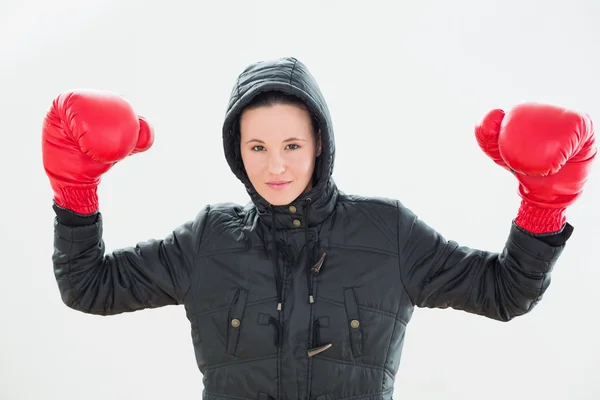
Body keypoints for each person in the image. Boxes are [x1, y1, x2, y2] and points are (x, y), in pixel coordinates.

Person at [42, 57, 596, 400]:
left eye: (291, 146)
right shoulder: (209, 239)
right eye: (257, 147)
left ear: (320, 145)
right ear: (236, 152)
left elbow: (504, 292)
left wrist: (543, 206)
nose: (274, 166)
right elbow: (90, 287)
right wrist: (77, 192)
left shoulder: (388, 232)